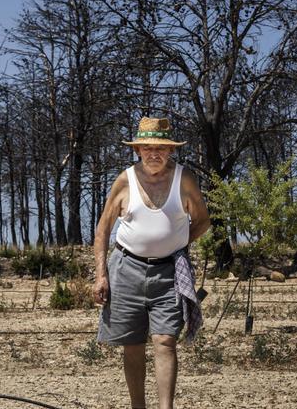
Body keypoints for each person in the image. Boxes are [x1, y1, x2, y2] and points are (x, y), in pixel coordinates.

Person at [92, 117, 210, 409]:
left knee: (165, 341)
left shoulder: (185, 179)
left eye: (161, 148)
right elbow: (103, 229)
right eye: (147, 148)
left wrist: (178, 243)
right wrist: (100, 276)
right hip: (126, 268)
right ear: (138, 151)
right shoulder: (125, 180)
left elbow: (203, 221)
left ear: (170, 151)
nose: (154, 153)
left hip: (170, 271)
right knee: (132, 345)